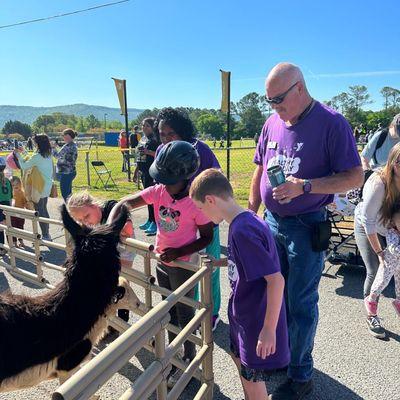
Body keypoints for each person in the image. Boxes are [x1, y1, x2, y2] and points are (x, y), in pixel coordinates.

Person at [249, 62, 363, 400]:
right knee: (273, 298)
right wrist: (251, 214)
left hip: (306, 225)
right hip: (271, 222)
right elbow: (258, 172)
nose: (274, 107)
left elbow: (354, 176)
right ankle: (283, 358)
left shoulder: (331, 123)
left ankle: (301, 375)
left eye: (279, 99)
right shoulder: (272, 122)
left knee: (299, 301)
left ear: (300, 87)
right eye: (269, 101)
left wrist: (307, 186)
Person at [107, 141, 213, 388]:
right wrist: (111, 226)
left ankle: (187, 355)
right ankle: (176, 353)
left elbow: (207, 237)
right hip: (163, 261)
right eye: (161, 178)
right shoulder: (160, 191)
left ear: (185, 177)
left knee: (184, 312)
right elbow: (126, 203)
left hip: (184, 264)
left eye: (168, 179)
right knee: (167, 309)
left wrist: (179, 251)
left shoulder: (195, 202)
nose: (163, 183)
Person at [190, 168, 289, 400]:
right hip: (243, 318)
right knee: (244, 370)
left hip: (255, 321)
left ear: (211, 200)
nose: (202, 214)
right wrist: (220, 261)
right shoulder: (245, 219)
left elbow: (276, 280)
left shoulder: (243, 230)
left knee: (253, 381)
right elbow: (246, 261)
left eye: (201, 208)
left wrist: (268, 330)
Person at [155, 107, 223, 331]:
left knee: (208, 270)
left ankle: (211, 313)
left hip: (204, 221)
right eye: (162, 134)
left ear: (182, 131)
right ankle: (186, 314)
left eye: (170, 134)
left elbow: (217, 178)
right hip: (178, 225)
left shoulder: (200, 149)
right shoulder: (161, 151)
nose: (165, 139)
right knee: (182, 273)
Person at [67, 190, 136, 323]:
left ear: (94, 205)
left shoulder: (112, 208)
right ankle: (109, 322)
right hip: (107, 252)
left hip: (123, 252)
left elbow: (128, 229)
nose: (86, 222)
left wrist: (100, 233)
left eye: (86, 216)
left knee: (121, 282)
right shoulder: (89, 223)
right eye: (80, 220)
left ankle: (122, 321)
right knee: (106, 285)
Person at [355, 143, 400, 339]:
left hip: (391, 227)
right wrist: (380, 253)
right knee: (375, 269)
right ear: (392, 162)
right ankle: (371, 314)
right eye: (399, 161)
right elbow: (368, 221)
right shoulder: (378, 183)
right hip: (368, 227)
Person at [15, 134, 53, 241]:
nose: (34, 143)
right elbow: (32, 159)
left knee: (40, 210)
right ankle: (47, 234)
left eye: (35, 142)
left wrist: (18, 155)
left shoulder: (38, 156)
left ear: (38, 143)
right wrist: (23, 152)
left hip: (38, 187)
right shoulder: (47, 154)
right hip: (46, 185)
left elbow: (24, 165)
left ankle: (46, 235)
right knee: (43, 209)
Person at [364, 210, 400, 320]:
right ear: (394, 224)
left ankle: (398, 302)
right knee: (382, 281)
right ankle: (371, 299)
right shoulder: (392, 232)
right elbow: (393, 249)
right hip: (389, 263)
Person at [136, 118, 159, 236]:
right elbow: (139, 155)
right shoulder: (143, 139)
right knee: (147, 199)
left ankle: (155, 222)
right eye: (143, 125)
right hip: (143, 171)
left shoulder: (155, 139)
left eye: (147, 126)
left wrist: (147, 151)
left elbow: (159, 154)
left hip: (152, 172)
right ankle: (150, 220)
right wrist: (137, 171)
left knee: (153, 199)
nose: (144, 128)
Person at [52, 128, 78, 201]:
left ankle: (68, 210)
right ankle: (71, 209)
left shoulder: (67, 146)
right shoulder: (73, 145)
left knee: (65, 194)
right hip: (70, 171)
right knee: (69, 194)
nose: (63, 138)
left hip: (65, 172)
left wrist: (53, 148)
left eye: (64, 136)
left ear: (69, 136)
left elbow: (57, 155)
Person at [10, 176, 29, 247]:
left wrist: (27, 204)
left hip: (21, 214)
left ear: (20, 185)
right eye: (13, 185)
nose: (15, 187)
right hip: (12, 214)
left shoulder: (22, 193)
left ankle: (21, 241)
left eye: (16, 185)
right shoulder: (10, 194)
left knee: (21, 228)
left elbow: (25, 202)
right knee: (13, 228)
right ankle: (14, 243)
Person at [0, 157, 12, 256]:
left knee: (0, 229)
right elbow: (10, 197)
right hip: (7, 205)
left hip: (0, 206)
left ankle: (2, 248)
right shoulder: (7, 181)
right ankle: (11, 246)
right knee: (7, 227)